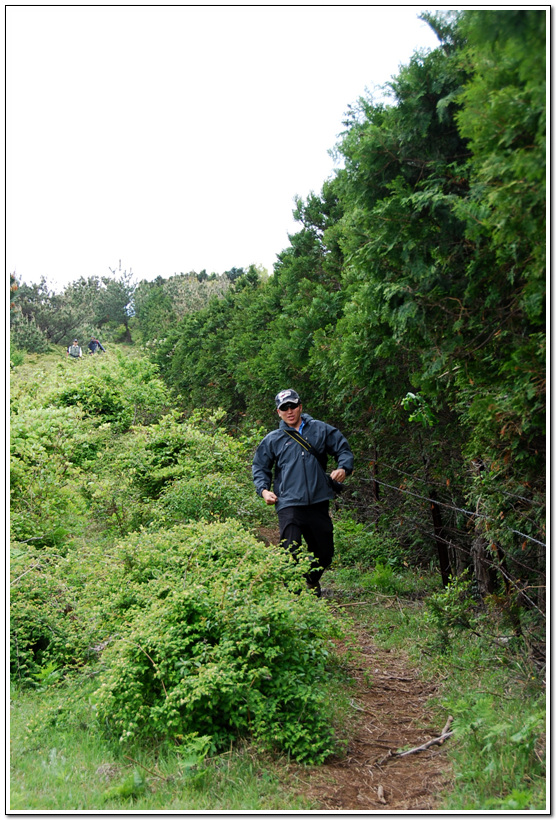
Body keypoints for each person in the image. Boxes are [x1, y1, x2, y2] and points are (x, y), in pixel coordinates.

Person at [252, 389, 353, 597]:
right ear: (278, 412)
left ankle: (310, 579)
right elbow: (260, 466)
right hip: (288, 502)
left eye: (292, 406)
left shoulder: (321, 430)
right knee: (289, 551)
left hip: (318, 500)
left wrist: (343, 467)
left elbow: (343, 449)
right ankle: (294, 598)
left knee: (324, 553)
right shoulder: (273, 439)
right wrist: (263, 490)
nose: (289, 411)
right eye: (284, 408)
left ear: (300, 406)